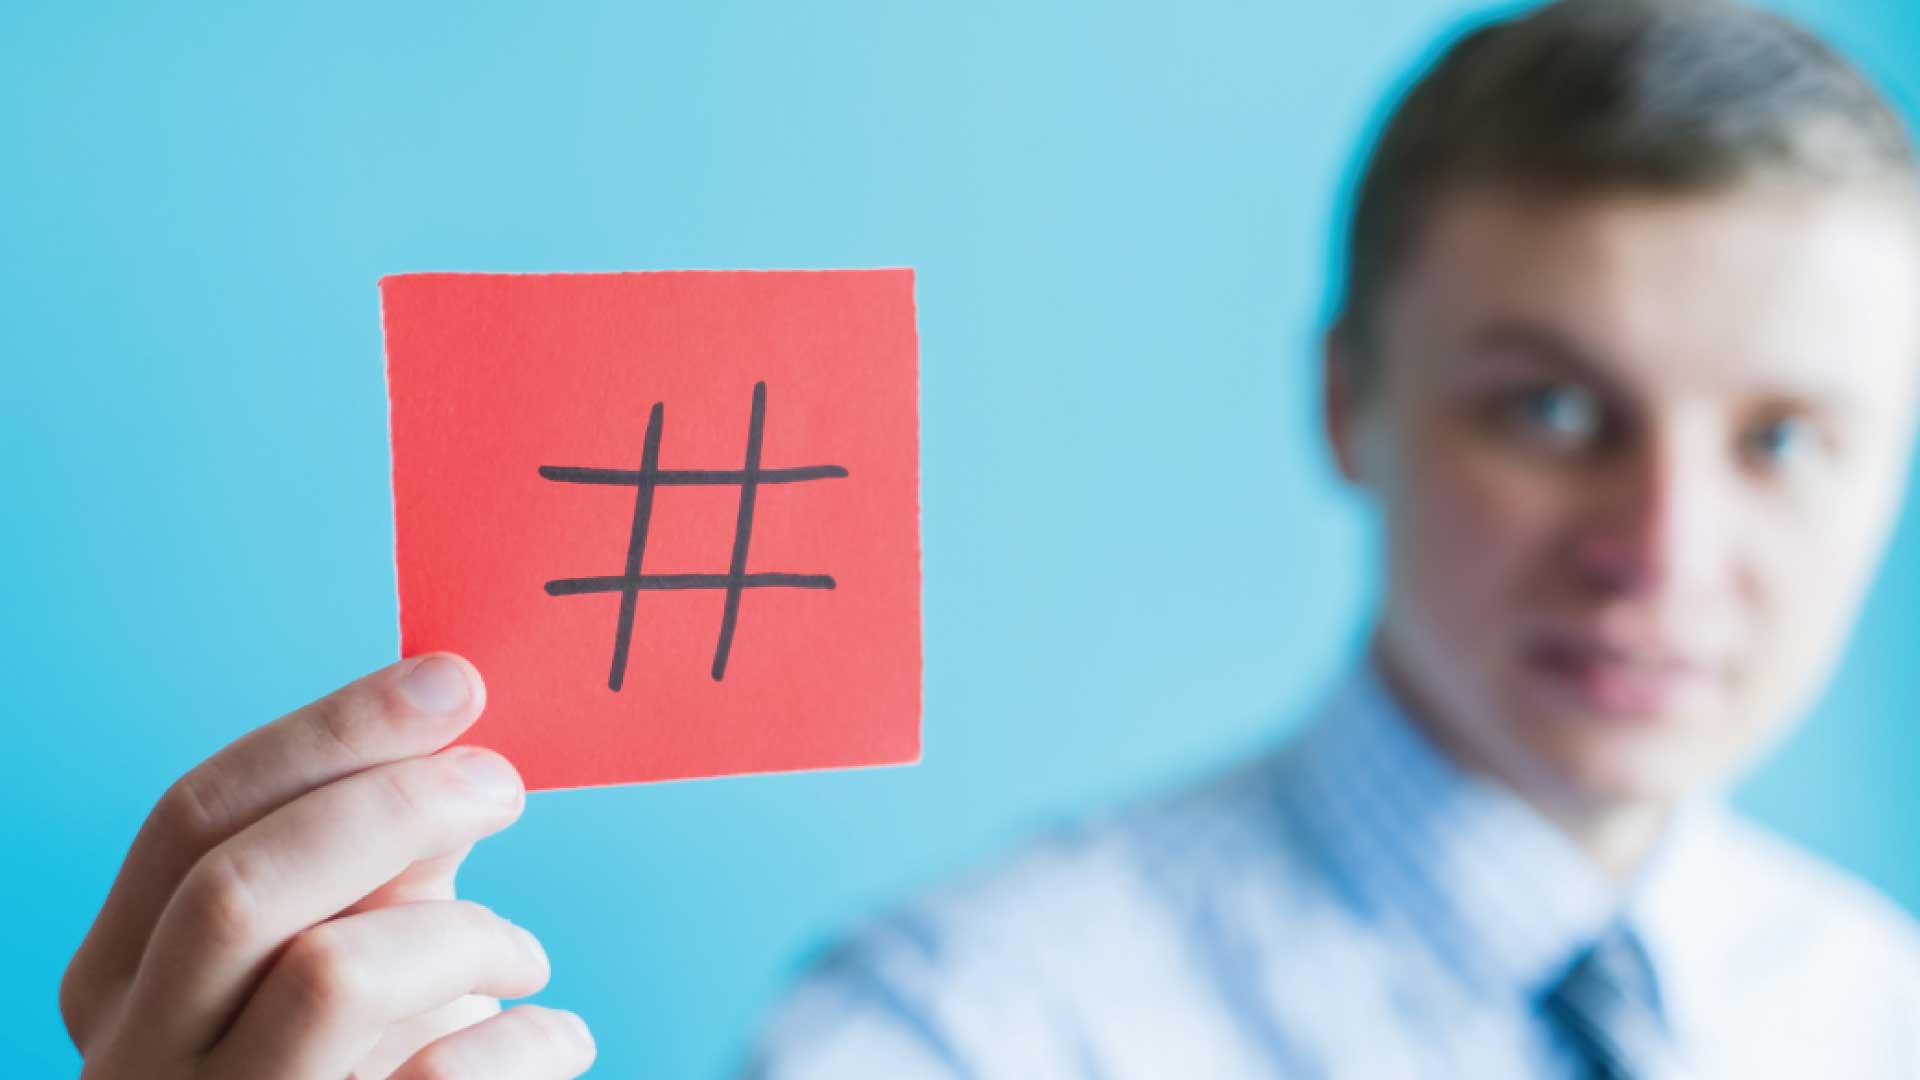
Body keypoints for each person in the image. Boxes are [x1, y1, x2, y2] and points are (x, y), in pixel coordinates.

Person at [57, 0, 1920, 1077]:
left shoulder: (1880, 1002)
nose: (1667, 548)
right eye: (1553, 409)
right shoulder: (956, 1033)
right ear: (1350, 398)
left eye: (1784, 438)